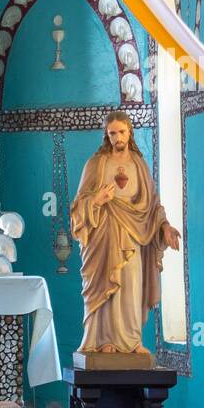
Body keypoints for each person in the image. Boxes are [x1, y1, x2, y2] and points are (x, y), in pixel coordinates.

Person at [70, 111, 181, 357]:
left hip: (133, 235)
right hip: (103, 234)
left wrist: (165, 226)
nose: (117, 137)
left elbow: (153, 205)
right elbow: (78, 205)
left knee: (130, 284)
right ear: (106, 136)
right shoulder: (96, 164)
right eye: (112, 133)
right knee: (104, 285)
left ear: (129, 132)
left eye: (121, 132)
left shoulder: (139, 165)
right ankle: (104, 340)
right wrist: (97, 200)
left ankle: (131, 341)